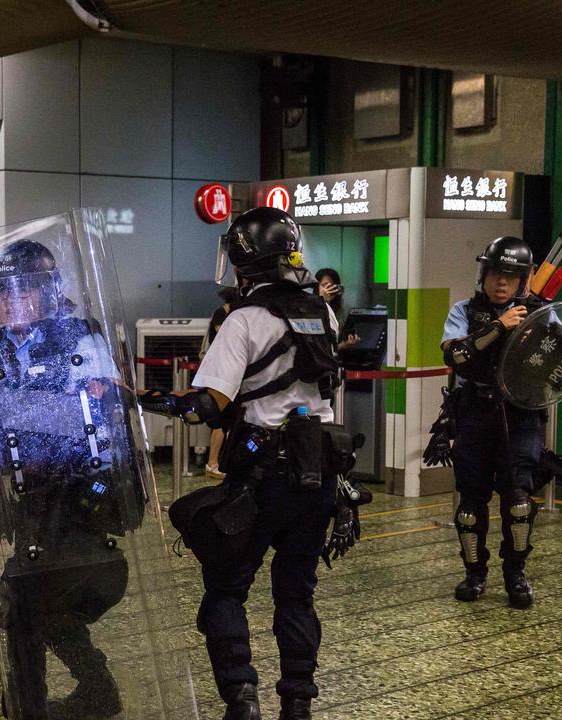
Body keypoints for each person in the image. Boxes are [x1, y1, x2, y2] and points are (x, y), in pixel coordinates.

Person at [140, 207, 363, 720]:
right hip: (318, 474)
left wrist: (146, 399)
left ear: (244, 264)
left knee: (225, 590)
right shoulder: (322, 314)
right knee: (297, 593)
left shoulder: (243, 320)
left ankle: (241, 700)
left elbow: (208, 404)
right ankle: (298, 702)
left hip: (263, 477)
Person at [0, 239, 134, 719]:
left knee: (20, 602)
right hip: (27, 497)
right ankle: (98, 690)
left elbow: (106, 401)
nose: (6, 304)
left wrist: (91, 397)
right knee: (47, 607)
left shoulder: (78, 337)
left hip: (77, 493)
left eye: (17, 293)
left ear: (46, 294)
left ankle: (28, 707)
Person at [440, 236, 543, 610]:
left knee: (518, 502)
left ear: (523, 280)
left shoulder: (540, 314)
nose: (502, 283)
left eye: (512, 277)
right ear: (484, 274)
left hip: (522, 415)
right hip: (474, 412)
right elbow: (457, 357)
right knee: (470, 503)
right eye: (497, 274)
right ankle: (474, 572)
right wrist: (499, 326)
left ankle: (516, 573)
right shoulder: (463, 311)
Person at [203, 282, 247, 478]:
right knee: (221, 421)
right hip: (223, 374)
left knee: (228, 421)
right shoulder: (224, 314)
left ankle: (221, 463)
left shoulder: (226, 313)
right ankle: (212, 463)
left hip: (229, 373)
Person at [315, 268, 360, 352]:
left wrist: (346, 342)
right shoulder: (311, 308)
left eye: (331, 286)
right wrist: (322, 301)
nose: (327, 289)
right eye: (324, 285)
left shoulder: (341, 311)